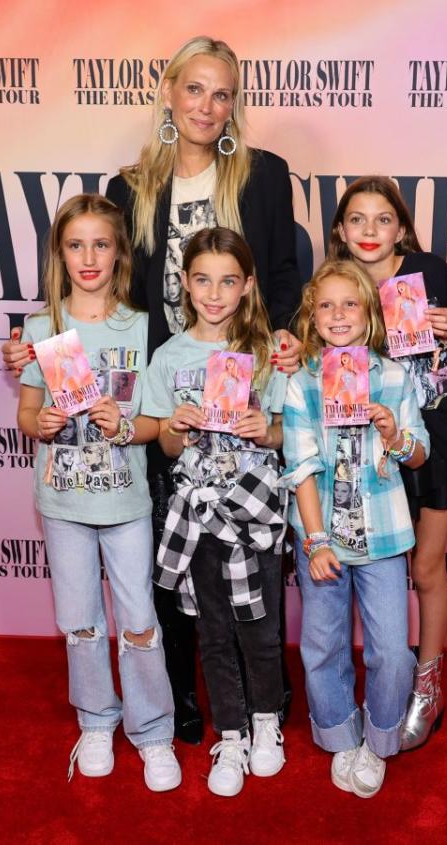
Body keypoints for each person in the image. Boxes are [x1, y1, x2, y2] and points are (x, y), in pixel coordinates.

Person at [329, 176, 447, 750]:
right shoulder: (335, 285)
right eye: (358, 219)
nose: (370, 231)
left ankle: (427, 687)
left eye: (383, 219)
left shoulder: (429, 273)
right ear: (340, 230)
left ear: (401, 227)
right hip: (360, 450)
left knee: (425, 569)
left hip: (434, 439)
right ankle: (378, 681)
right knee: (366, 575)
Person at [16, 193, 181, 792]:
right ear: (59, 253)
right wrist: (39, 423)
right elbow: (28, 409)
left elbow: (158, 422)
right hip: (63, 504)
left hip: (126, 503)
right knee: (79, 620)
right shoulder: (43, 328)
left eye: (102, 244)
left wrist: (125, 424)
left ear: (119, 253)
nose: (89, 257)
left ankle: (154, 731)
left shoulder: (141, 326)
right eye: (76, 244)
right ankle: (95, 719)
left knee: (138, 620)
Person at [143, 227, 288, 797]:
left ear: (248, 285)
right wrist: (176, 428)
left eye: (229, 281)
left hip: (254, 514)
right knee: (213, 633)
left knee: (263, 629)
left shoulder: (267, 354)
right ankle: (230, 733)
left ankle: (266, 723)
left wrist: (266, 429)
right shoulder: (170, 356)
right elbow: (166, 446)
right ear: (184, 283)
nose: (214, 293)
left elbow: (286, 431)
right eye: (202, 279)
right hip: (197, 518)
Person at [280, 259, 429, 797]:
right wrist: (315, 540)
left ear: (369, 314)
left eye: (350, 304)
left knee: (391, 648)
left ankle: (380, 738)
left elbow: (419, 452)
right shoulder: (302, 385)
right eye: (326, 305)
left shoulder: (393, 377)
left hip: (384, 538)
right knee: (323, 644)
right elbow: (300, 466)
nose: (338, 314)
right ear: (311, 317)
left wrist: (393, 433)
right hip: (324, 539)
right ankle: (340, 731)